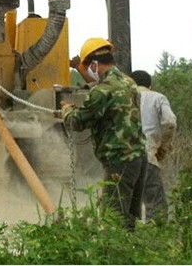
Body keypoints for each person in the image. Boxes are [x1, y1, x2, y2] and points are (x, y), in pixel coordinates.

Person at [60, 37, 147, 231]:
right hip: (139, 158)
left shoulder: (102, 92)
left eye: (87, 67)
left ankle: (112, 259)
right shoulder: (129, 83)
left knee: (112, 221)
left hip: (119, 161)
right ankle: (132, 256)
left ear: (94, 64)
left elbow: (77, 121)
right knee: (129, 221)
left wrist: (66, 110)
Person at [130, 70, 176, 223]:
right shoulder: (157, 98)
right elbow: (169, 122)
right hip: (148, 157)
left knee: (124, 207)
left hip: (123, 160)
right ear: (150, 86)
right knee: (156, 206)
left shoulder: (122, 99)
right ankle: (156, 243)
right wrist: (162, 146)